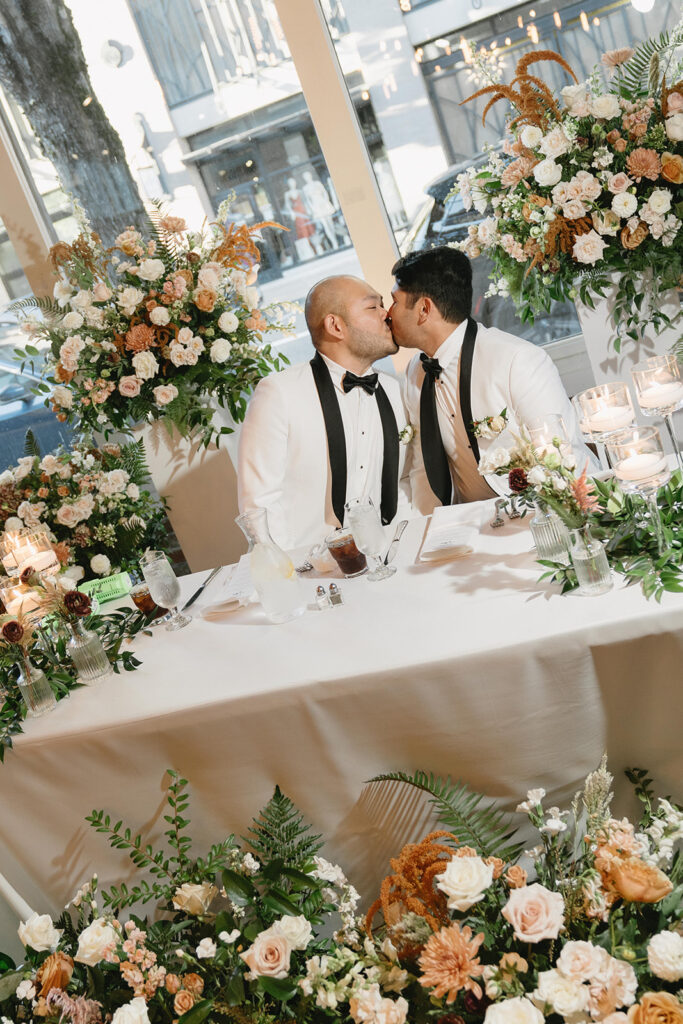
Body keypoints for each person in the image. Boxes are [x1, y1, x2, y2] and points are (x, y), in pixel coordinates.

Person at [388, 246, 598, 512]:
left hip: (542, 511)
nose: (388, 314)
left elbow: (562, 462)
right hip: (469, 523)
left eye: (394, 302)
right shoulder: (413, 373)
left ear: (424, 309)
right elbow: (420, 467)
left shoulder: (518, 360)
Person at [238, 275, 412, 550]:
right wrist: (292, 574)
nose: (387, 314)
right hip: (311, 570)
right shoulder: (279, 394)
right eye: (373, 307)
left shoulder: (394, 390)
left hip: (387, 556)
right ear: (335, 326)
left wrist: (403, 543)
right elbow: (260, 504)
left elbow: (404, 480)